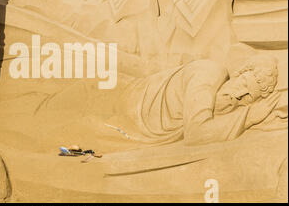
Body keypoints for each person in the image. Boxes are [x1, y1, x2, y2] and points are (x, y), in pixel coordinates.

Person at [117, 55, 283, 146]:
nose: (239, 94)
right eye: (244, 83)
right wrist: (248, 117)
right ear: (239, 73)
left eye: (248, 97)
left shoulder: (229, 104)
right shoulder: (210, 72)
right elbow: (196, 133)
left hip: (135, 124)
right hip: (130, 105)